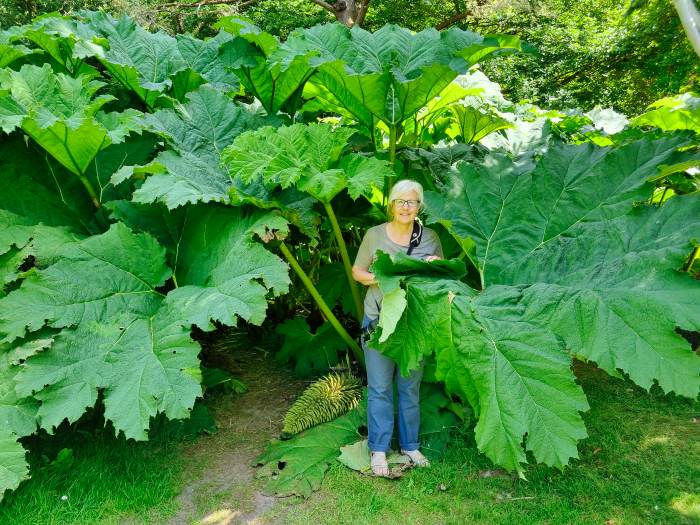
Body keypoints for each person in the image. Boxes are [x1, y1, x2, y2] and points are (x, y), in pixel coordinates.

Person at [351, 179, 443, 477]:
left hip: (413, 324)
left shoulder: (429, 237)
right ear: (391, 205)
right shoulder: (374, 235)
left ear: (419, 206)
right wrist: (385, 277)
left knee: (409, 387)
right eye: (401, 202)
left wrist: (432, 265)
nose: (406, 207)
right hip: (378, 322)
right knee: (379, 388)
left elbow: (438, 276)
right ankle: (379, 450)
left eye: (412, 202)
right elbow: (357, 272)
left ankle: (410, 446)